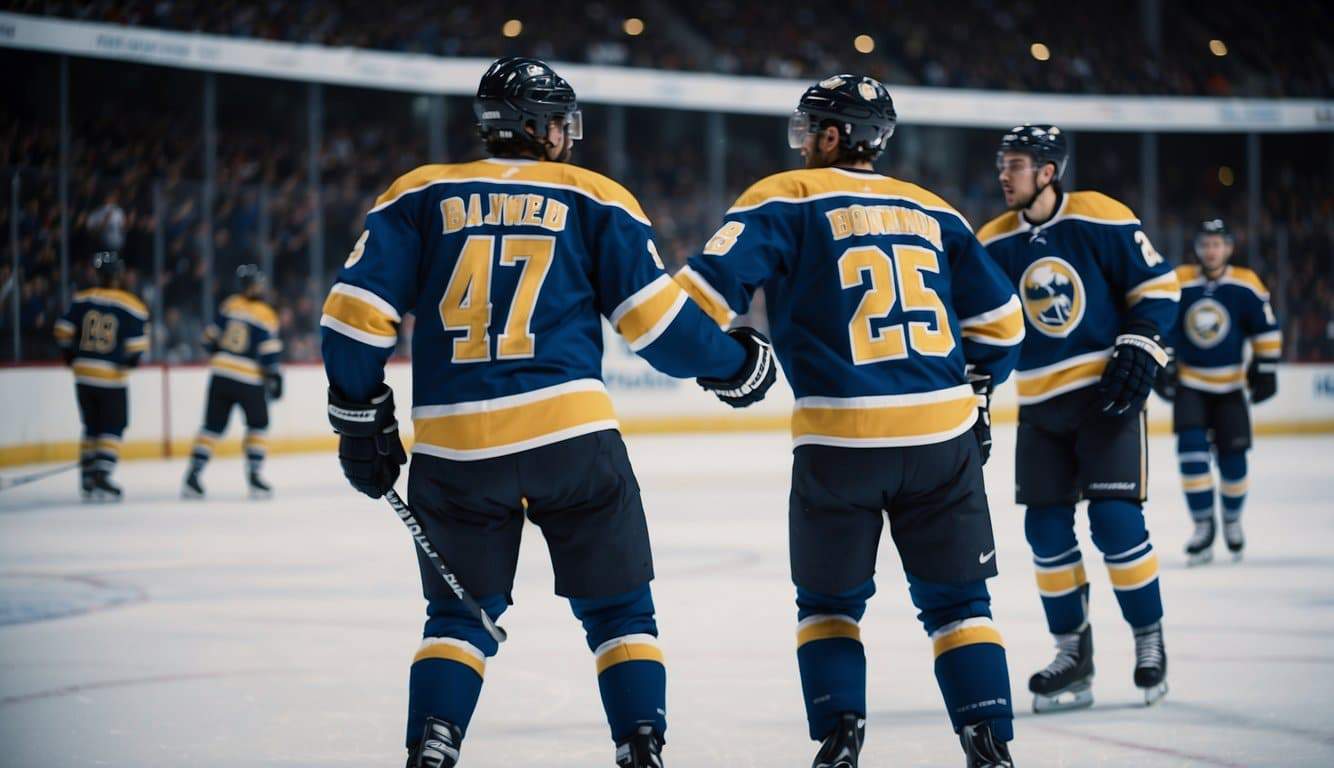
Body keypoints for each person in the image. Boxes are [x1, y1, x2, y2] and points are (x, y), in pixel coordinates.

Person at [319, 57, 775, 768]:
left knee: (455, 619)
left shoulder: (417, 193)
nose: (567, 134)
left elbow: (352, 321)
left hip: (455, 447)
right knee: (621, 612)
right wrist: (736, 365)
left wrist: (360, 414)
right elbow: (655, 327)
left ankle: (434, 746)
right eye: (559, 122)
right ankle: (641, 744)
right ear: (535, 127)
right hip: (572, 438)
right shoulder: (594, 194)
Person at [679, 74, 1023, 768]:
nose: (802, 140)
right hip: (941, 439)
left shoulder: (785, 195)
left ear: (834, 135)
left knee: (828, 606)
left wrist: (727, 364)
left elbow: (694, 305)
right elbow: (1005, 325)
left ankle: (840, 739)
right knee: (961, 605)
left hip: (841, 441)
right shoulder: (934, 208)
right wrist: (978, 395)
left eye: (811, 128)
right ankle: (987, 743)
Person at [977, 124, 1180, 712]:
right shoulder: (992, 242)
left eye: (1014, 164)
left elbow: (1158, 286)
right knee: (1044, 531)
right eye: (1001, 163)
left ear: (1047, 172)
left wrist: (1143, 337)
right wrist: (977, 387)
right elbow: (979, 326)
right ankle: (1073, 653)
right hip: (1040, 408)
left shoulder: (1100, 215)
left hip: (1106, 399)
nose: (1003, 174)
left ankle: (1149, 639)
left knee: (1116, 525)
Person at [1154, 219, 1281, 564]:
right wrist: (1161, 362)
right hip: (1190, 385)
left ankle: (1232, 519)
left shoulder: (1245, 283)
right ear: (1197, 248)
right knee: (1191, 456)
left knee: (1233, 461)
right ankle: (1203, 526)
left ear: (1228, 248)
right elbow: (1161, 322)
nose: (1211, 250)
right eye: (1205, 244)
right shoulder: (1180, 280)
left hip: (1230, 387)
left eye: (1217, 244)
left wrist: (1266, 365)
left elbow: (1265, 326)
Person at [53, 251, 149, 501]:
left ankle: (87, 475)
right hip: (110, 375)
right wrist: (129, 362)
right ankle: (102, 474)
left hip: (83, 374)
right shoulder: (131, 304)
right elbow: (136, 348)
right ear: (118, 275)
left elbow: (62, 330)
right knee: (113, 425)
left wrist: (71, 355)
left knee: (91, 426)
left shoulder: (82, 299)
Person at [182, 264, 284, 499]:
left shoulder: (229, 305)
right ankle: (255, 477)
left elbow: (209, 340)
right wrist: (274, 376)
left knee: (211, 427)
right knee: (258, 425)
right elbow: (268, 352)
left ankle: (193, 475)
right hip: (248, 377)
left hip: (221, 374)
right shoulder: (265, 313)